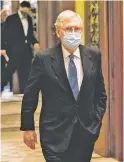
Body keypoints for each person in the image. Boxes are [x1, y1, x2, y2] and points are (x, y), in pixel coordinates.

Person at [20, 10, 107, 162]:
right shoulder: (44, 59)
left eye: (77, 29)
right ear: (59, 32)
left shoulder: (93, 55)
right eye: (68, 29)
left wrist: (96, 119)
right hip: (54, 133)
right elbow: (30, 94)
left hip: (85, 132)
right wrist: (28, 127)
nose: (73, 32)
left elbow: (100, 93)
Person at [1, 1, 40, 93]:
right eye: (26, 9)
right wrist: (3, 48)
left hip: (26, 51)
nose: (27, 11)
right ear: (21, 8)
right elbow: (3, 34)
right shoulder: (11, 19)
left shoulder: (29, 19)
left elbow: (30, 35)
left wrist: (35, 43)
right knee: (8, 72)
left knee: (26, 72)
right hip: (14, 51)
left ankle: (24, 93)